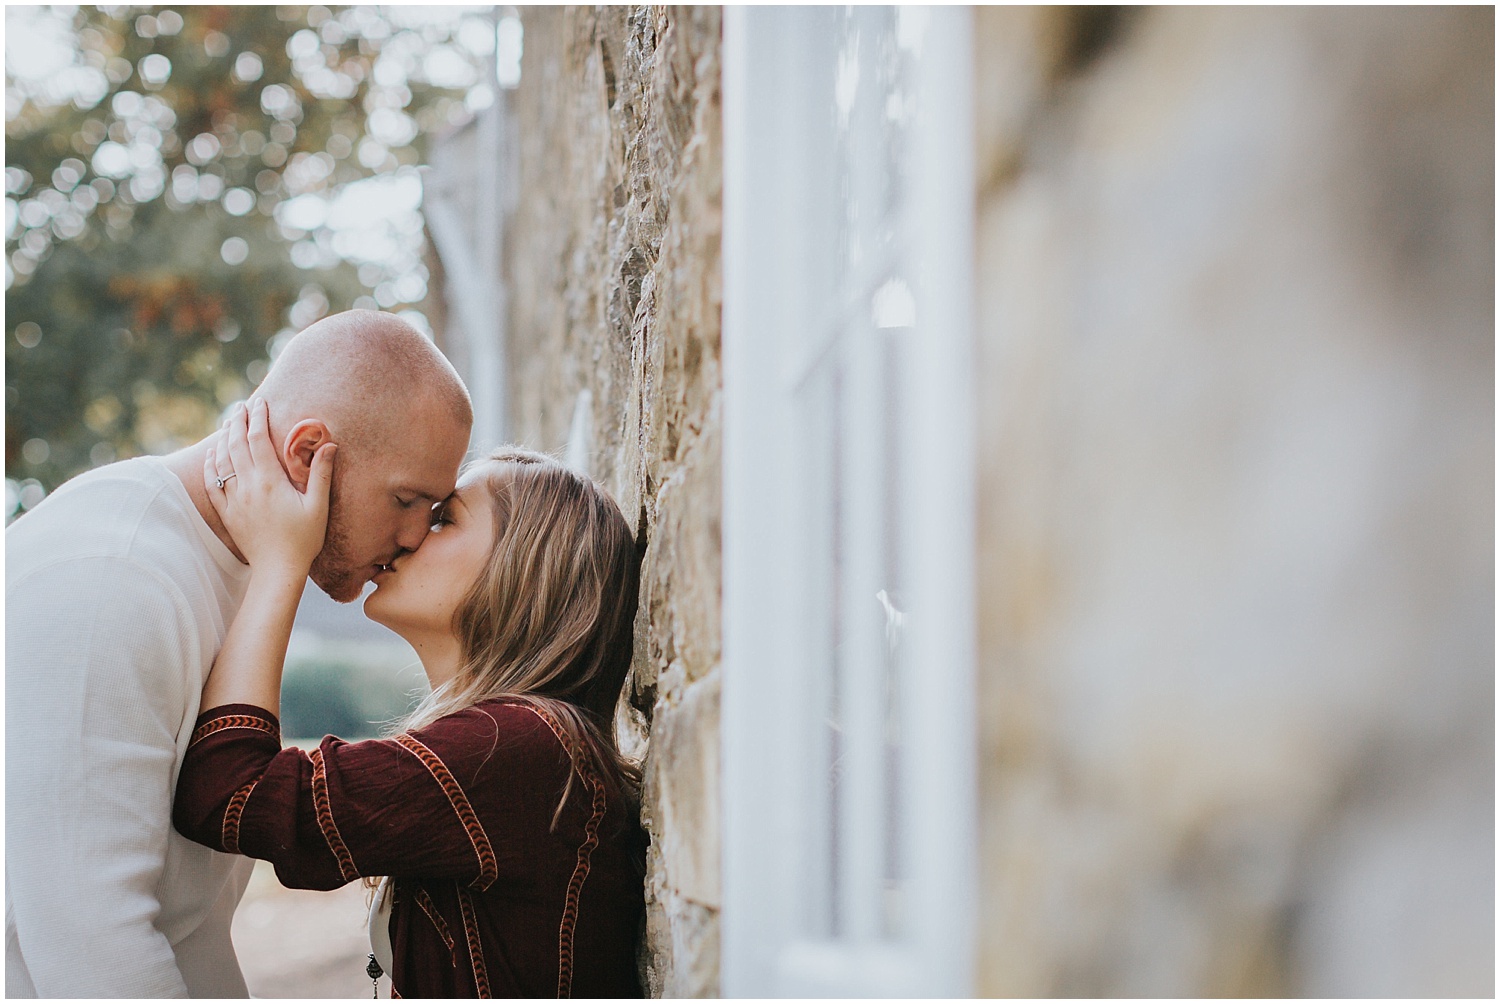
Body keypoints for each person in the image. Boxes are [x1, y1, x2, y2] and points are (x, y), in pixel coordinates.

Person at [5, 310, 472, 998]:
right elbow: (91, 946)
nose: (413, 537)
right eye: (406, 499)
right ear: (308, 453)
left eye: (434, 512)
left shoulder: (247, 567)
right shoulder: (113, 578)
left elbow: (188, 923)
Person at [173, 400, 647, 998]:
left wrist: (279, 561)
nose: (411, 534)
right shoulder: (528, 745)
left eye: (444, 518)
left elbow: (229, 794)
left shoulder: (522, 746)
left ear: (525, 569)